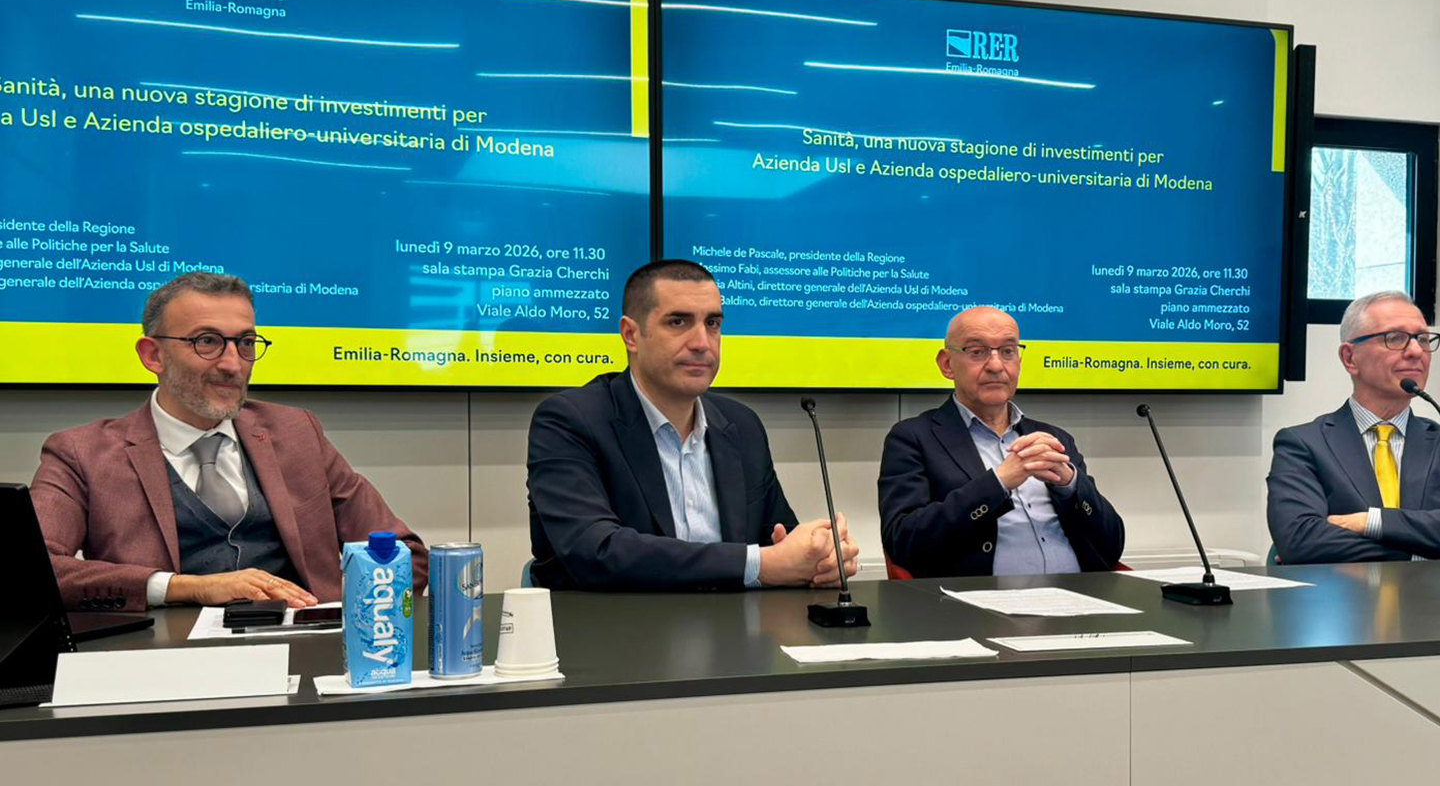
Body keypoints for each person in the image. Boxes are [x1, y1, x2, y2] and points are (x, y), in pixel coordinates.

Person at [29, 272, 429, 612]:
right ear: (153, 355)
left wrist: (334, 611)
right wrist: (183, 587)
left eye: (246, 343)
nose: (232, 364)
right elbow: (28, 571)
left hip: (303, 652)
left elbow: (405, 555)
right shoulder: (81, 454)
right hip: (160, 660)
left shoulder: (297, 432)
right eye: (207, 341)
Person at [526, 259, 859, 591]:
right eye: (678, 322)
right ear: (631, 335)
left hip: (733, 623)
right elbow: (596, 552)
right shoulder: (569, 421)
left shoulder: (741, 426)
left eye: (712, 323)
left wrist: (821, 560)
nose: (702, 342)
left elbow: (780, 541)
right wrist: (762, 564)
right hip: (611, 623)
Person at [877, 306, 1125, 577]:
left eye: (1008, 351)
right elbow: (903, 541)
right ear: (947, 364)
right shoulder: (914, 438)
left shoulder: (1054, 439)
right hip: (976, 600)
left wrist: (1071, 484)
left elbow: (1111, 547)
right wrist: (998, 483)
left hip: (1079, 596)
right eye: (977, 351)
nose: (996, 366)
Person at [1266, 290, 1440, 563]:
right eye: (1395, 338)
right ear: (1350, 358)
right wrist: (1433, 547)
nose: (1416, 351)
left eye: (1423, 339)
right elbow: (1300, 541)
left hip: (1436, 593)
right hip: (1343, 591)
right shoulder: (1303, 445)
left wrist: (1370, 522)